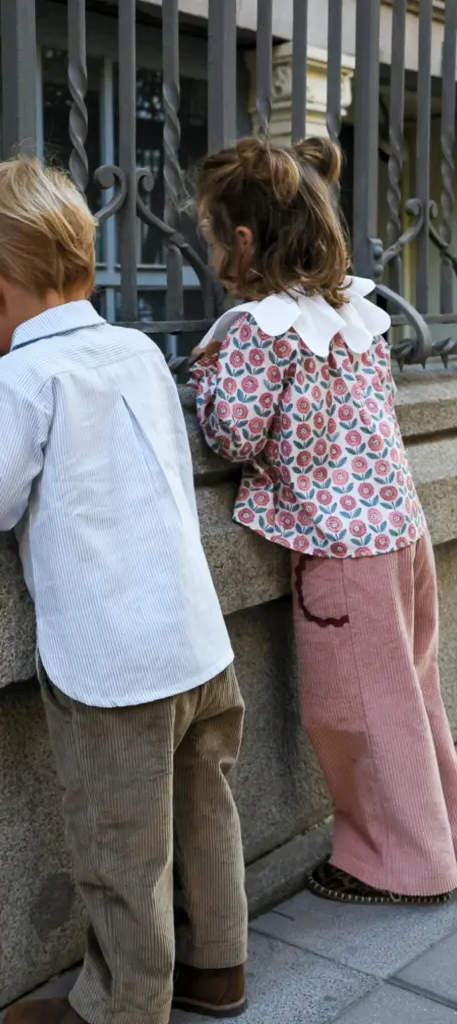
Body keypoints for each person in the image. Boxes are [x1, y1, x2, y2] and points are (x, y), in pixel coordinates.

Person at [0, 157, 250, 1024]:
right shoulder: (139, 351)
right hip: (197, 640)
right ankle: (220, 967)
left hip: (113, 668)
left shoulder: (23, 381)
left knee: (122, 845)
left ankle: (125, 1005)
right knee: (204, 809)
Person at [190, 136, 457, 906]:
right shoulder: (352, 314)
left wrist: (207, 383)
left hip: (342, 555)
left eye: (211, 234)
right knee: (413, 694)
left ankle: (402, 865)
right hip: (401, 535)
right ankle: (440, 832)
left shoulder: (258, 333)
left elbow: (233, 435)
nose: (209, 251)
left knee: (356, 714)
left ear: (243, 239)